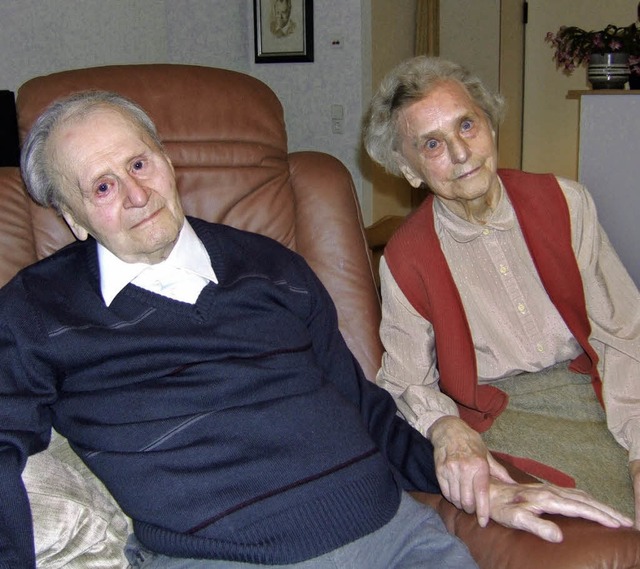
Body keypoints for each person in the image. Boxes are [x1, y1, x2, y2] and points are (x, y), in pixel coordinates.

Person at [0, 91, 631, 569]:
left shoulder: (273, 267)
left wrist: (487, 485)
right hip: (218, 557)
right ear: (73, 218)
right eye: (104, 186)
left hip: (391, 542)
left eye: (141, 163)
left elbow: (365, 407)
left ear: (167, 160)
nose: (137, 194)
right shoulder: (36, 312)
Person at [363, 55, 640, 528]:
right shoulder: (406, 259)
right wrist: (445, 425)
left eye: (467, 125)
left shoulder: (567, 203)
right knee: (609, 521)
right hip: (500, 414)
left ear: (489, 124)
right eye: (432, 143)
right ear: (408, 171)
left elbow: (622, 333)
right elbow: (405, 380)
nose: (461, 152)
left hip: (598, 388)